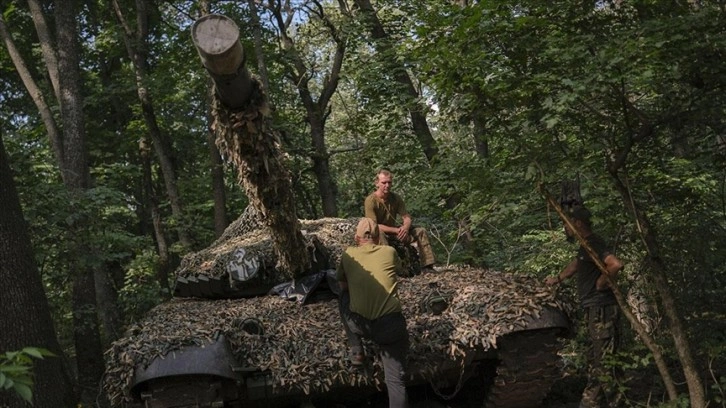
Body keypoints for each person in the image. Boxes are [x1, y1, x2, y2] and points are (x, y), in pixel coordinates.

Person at [545, 206, 624, 408]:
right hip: (594, 310)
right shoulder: (585, 247)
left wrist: (602, 282)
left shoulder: (594, 243)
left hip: (601, 309)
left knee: (604, 363)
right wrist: (558, 278)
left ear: (577, 223)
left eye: (567, 223)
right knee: (596, 360)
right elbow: (576, 264)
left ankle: (611, 403)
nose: (565, 228)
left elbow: (615, 264)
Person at [337, 217, 409, 408]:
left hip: (362, 325)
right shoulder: (390, 252)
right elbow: (398, 271)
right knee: (396, 382)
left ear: (356, 237)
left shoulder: (348, 255)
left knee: (343, 297)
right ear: (378, 237)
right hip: (391, 327)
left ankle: (357, 351)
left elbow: (343, 286)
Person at [364, 168, 436, 273]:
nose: (387, 185)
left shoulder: (395, 198)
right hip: (381, 232)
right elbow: (374, 225)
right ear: (377, 183)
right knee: (379, 233)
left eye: (389, 182)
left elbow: (406, 216)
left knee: (420, 231)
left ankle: (427, 266)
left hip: (395, 231)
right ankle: (390, 269)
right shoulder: (371, 201)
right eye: (384, 182)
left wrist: (405, 228)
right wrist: (397, 231)